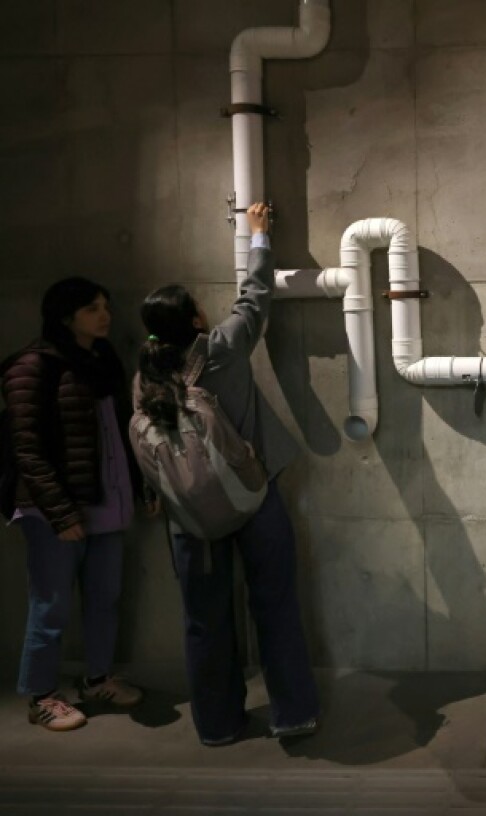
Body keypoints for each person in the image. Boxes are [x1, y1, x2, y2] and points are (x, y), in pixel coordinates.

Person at [134, 202, 319, 746]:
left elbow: (151, 445)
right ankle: (292, 715)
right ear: (194, 320)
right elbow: (254, 298)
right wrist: (257, 235)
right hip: (253, 496)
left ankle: (216, 724)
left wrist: (154, 494)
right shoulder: (219, 349)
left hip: (188, 514)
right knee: (274, 604)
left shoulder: (145, 374)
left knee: (203, 620)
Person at [1, 277, 146, 731]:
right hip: (52, 510)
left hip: (105, 500)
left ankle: (97, 678)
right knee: (52, 606)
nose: (104, 315)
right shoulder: (31, 366)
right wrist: (60, 513)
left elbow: (121, 431)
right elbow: (26, 449)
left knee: (105, 599)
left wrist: (143, 488)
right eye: (91, 309)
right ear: (66, 316)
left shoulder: (102, 360)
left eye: (105, 305)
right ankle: (41, 695)